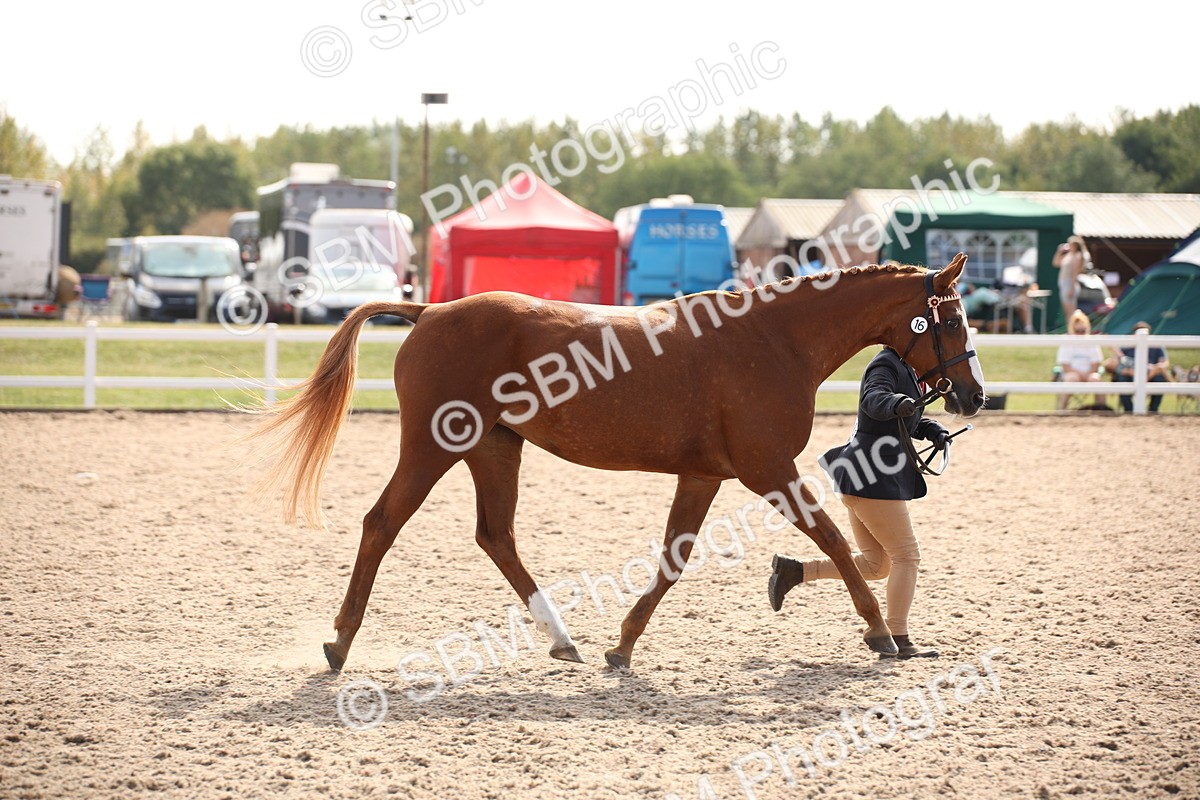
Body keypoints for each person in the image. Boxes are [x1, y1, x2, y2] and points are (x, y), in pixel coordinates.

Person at [767, 346, 950, 660]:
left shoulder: (910, 369)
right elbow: (874, 400)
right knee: (907, 556)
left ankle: (795, 572)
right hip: (872, 478)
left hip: (865, 478)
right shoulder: (886, 364)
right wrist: (898, 402)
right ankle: (898, 637)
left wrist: (930, 428)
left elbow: (901, 417)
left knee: (877, 565)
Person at [1107, 320, 1170, 413]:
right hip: (1129, 373)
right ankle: (1128, 410)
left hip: (1151, 372)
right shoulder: (1126, 346)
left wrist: (1152, 372)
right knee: (1123, 379)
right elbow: (1114, 364)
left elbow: (1164, 363)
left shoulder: (1156, 346)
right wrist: (1129, 371)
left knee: (1159, 379)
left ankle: (1153, 409)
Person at [1055, 309, 1106, 410]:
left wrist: (1088, 373)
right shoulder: (1067, 342)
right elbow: (1065, 366)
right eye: (1077, 331)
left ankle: (1102, 409)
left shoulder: (1092, 342)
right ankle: (1062, 409)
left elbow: (1096, 363)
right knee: (1072, 379)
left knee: (1095, 379)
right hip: (1072, 373)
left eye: (1082, 331)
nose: (1080, 334)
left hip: (1090, 373)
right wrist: (1079, 374)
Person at [1053, 235, 1092, 322]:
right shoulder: (1068, 255)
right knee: (1066, 312)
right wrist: (1059, 251)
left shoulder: (1077, 256)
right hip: (1064, 284)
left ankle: (1073, 332)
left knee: (1070, 311)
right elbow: (1055, 263)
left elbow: (1075, 273)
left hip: (1070, 284)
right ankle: (1070, 331)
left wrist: (1071, 288)